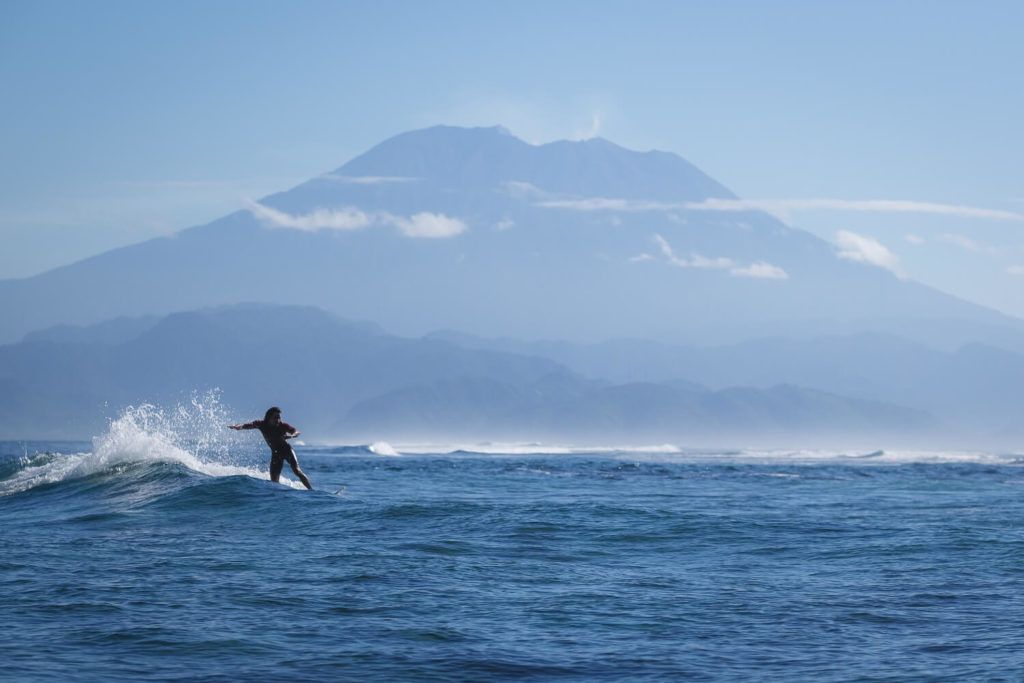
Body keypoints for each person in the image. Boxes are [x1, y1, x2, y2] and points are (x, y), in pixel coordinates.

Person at [229, 407, 312, 490]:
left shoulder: (283, 425)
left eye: (279, 417)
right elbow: (246, 425)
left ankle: (311, 490)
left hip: (287, 450)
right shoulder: (261, 424)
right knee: (274, 481)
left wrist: (292, 435)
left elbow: (296, 431)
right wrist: (238, 427)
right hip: (276, 454)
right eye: (275, 417)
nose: (278, 420)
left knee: (297, 470)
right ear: (268, 417)